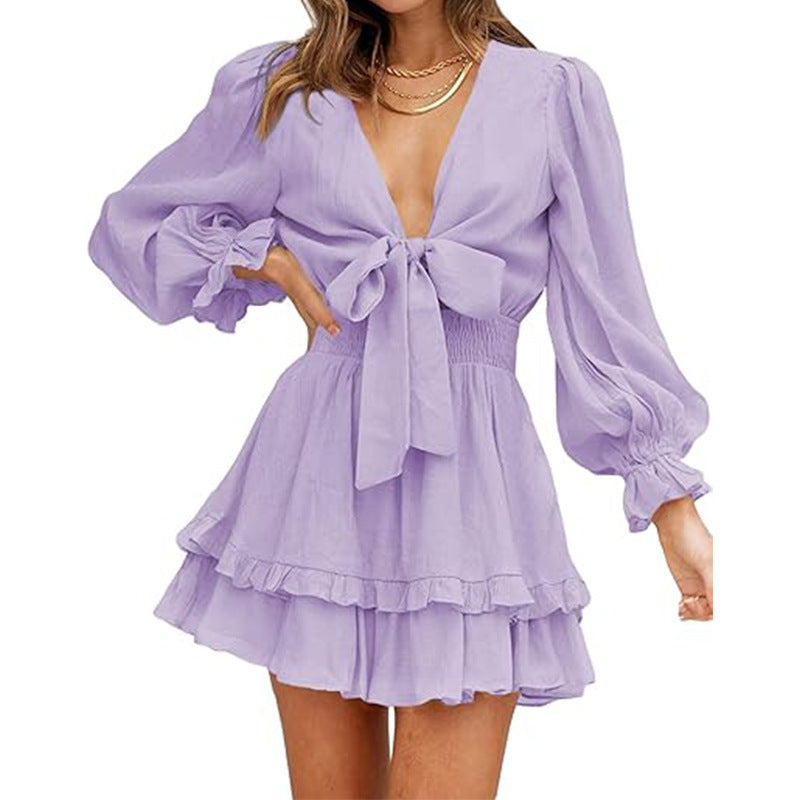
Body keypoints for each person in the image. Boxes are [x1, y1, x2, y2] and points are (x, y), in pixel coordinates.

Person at [87, 1, 714, 797]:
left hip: (473, 482)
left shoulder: (552, 94)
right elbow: (133, 230)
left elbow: (606, 304)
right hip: (319, 475)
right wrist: (265, 259)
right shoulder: (286, 88)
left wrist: (667, 499)